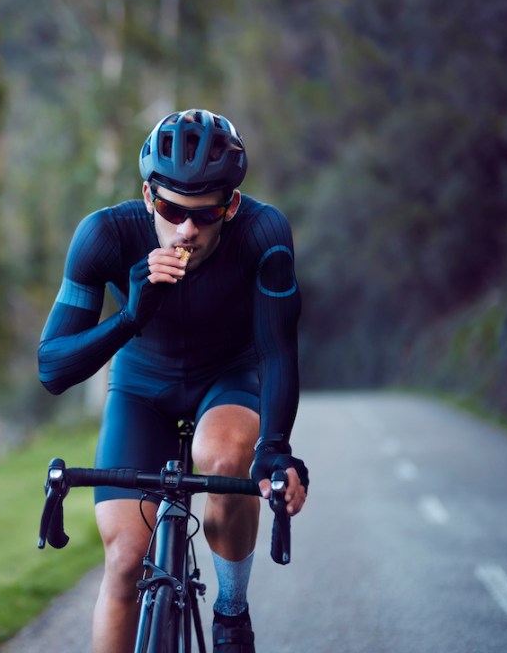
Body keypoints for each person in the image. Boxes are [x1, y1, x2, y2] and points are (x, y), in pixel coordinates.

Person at [37, 109, 309, 653]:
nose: (186, 229)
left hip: (225, 380)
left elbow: (276, 351)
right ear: (146, 195)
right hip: (141, 390)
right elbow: (53, 369)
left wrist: (275, 449)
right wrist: (130, 318)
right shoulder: (104, 236)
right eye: (169, 209)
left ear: (230, 204)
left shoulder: (263, 234)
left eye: (206, 214)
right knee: (125, 560)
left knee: (228, 454)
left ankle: (231, 615)